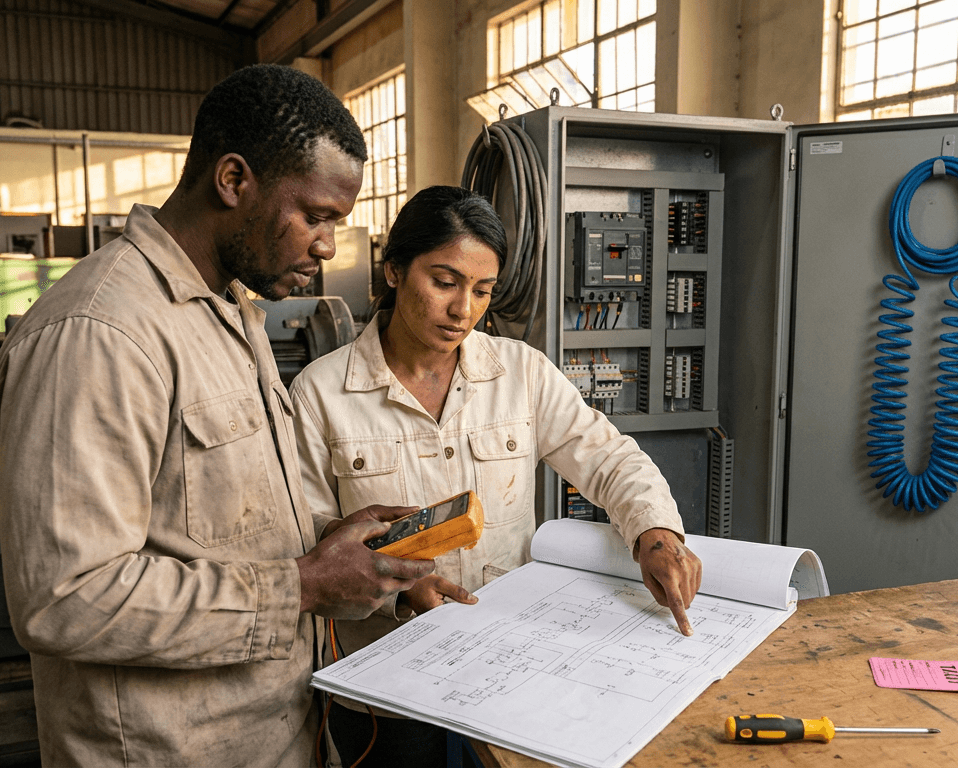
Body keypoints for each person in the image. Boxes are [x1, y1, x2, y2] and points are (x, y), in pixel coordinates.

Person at [0, 64, 435, 767]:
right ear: (233, 180)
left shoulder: (229, 309)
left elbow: (207, 521)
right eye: (316, 216)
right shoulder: (101, 334)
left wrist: (334, 547)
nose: (327, 245)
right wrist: (302, 585)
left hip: (269, 734)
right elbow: (65, 599)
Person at [290, 186, 704, 767]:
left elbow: (609, 458)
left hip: (508, 670)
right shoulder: (320, 393)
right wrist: (399, 589)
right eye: (445, 282)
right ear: (394, 270)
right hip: (387, 689)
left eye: (483, 290)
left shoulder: (520, 373)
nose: (464, 309)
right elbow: (306, 534)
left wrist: (655, 533)